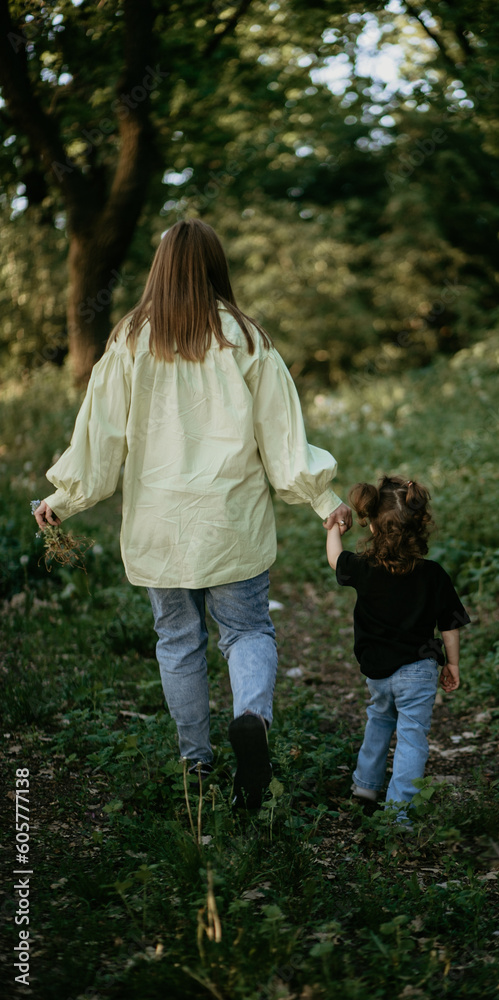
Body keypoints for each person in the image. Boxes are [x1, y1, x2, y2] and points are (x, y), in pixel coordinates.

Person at [33, 218, 351, 808]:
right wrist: (323, 499)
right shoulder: (249, 340)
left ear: (160, 269)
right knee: (247, 630)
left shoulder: (129, 340)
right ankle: (252, 719)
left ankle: (196, 765)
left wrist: (63, 498)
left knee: (178, 640)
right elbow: (283, 441)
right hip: (233, 523)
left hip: (161, 528)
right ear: (216, 267)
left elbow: (99, 441)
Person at [325, 474, 470, 818]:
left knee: (378, 719)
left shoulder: (364, 568)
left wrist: (334, 527)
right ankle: (398, 812)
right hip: (418, 671)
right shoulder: (433, 574)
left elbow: (335, 559)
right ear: (420, 526)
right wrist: (452, 665)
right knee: (411, 737)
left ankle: (365, 786)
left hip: (377, 669)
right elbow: (449, 625)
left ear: (373, 526)